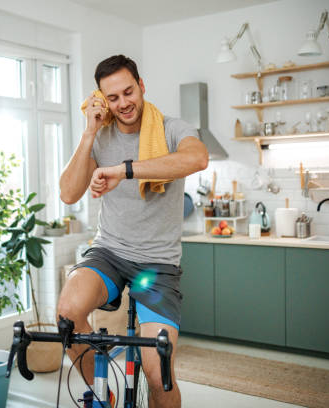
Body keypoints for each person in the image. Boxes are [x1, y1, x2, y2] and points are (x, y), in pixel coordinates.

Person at [57, 55, 208, 408]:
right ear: (101, 100)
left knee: (159, 374)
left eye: (128, 92)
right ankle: (102, 394)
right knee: (67, 313)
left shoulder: (172, 129)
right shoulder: (101, 135)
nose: (123, 103)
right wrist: (90, 131)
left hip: (157, 265)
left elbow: (197, 159)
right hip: (108, 253)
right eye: (113, 97)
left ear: (142, 86)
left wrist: (124, 170)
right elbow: (67, 193)